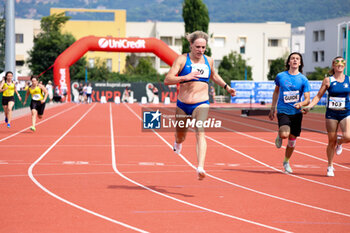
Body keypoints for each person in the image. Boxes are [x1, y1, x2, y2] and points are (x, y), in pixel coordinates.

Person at [164, 31, 236, 180]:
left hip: (201, 102)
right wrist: (185, 77)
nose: (200, 50)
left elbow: (214, 75)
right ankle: (178, 143)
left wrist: (226, 87)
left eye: (203, 47)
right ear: (191, 45)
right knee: (180, 136)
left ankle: (200, 167)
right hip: (183, 104)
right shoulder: (182, 60)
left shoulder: (208, 61)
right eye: (197, 47)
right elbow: (168, 79)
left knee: (200, 131)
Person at [302, 56, 349, 177]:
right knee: (330, 141)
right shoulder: (328, 80)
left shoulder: (349, 80)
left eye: (342, 62)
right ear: (333, 65)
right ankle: (330, 166)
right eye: (337, 62)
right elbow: (318, 96)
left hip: (345, 112)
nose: (340, 64)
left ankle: (340, 142)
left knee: (348, 136)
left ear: (344, 65)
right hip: (331, 114)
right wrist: (309, 106)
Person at [269, 52, 311, 174]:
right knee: (284, 134)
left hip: (296, 112)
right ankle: (280, 133)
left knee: (292, 141)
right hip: (283, 110)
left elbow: (307, 99)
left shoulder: (303, 79)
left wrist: (301, 104)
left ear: (300, 62)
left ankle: (286, 162)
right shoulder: (280, 76)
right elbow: (276, 92)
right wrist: (272, 108)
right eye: (292, 58)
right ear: (288, 62)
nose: (294, 60)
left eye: (297, 59)